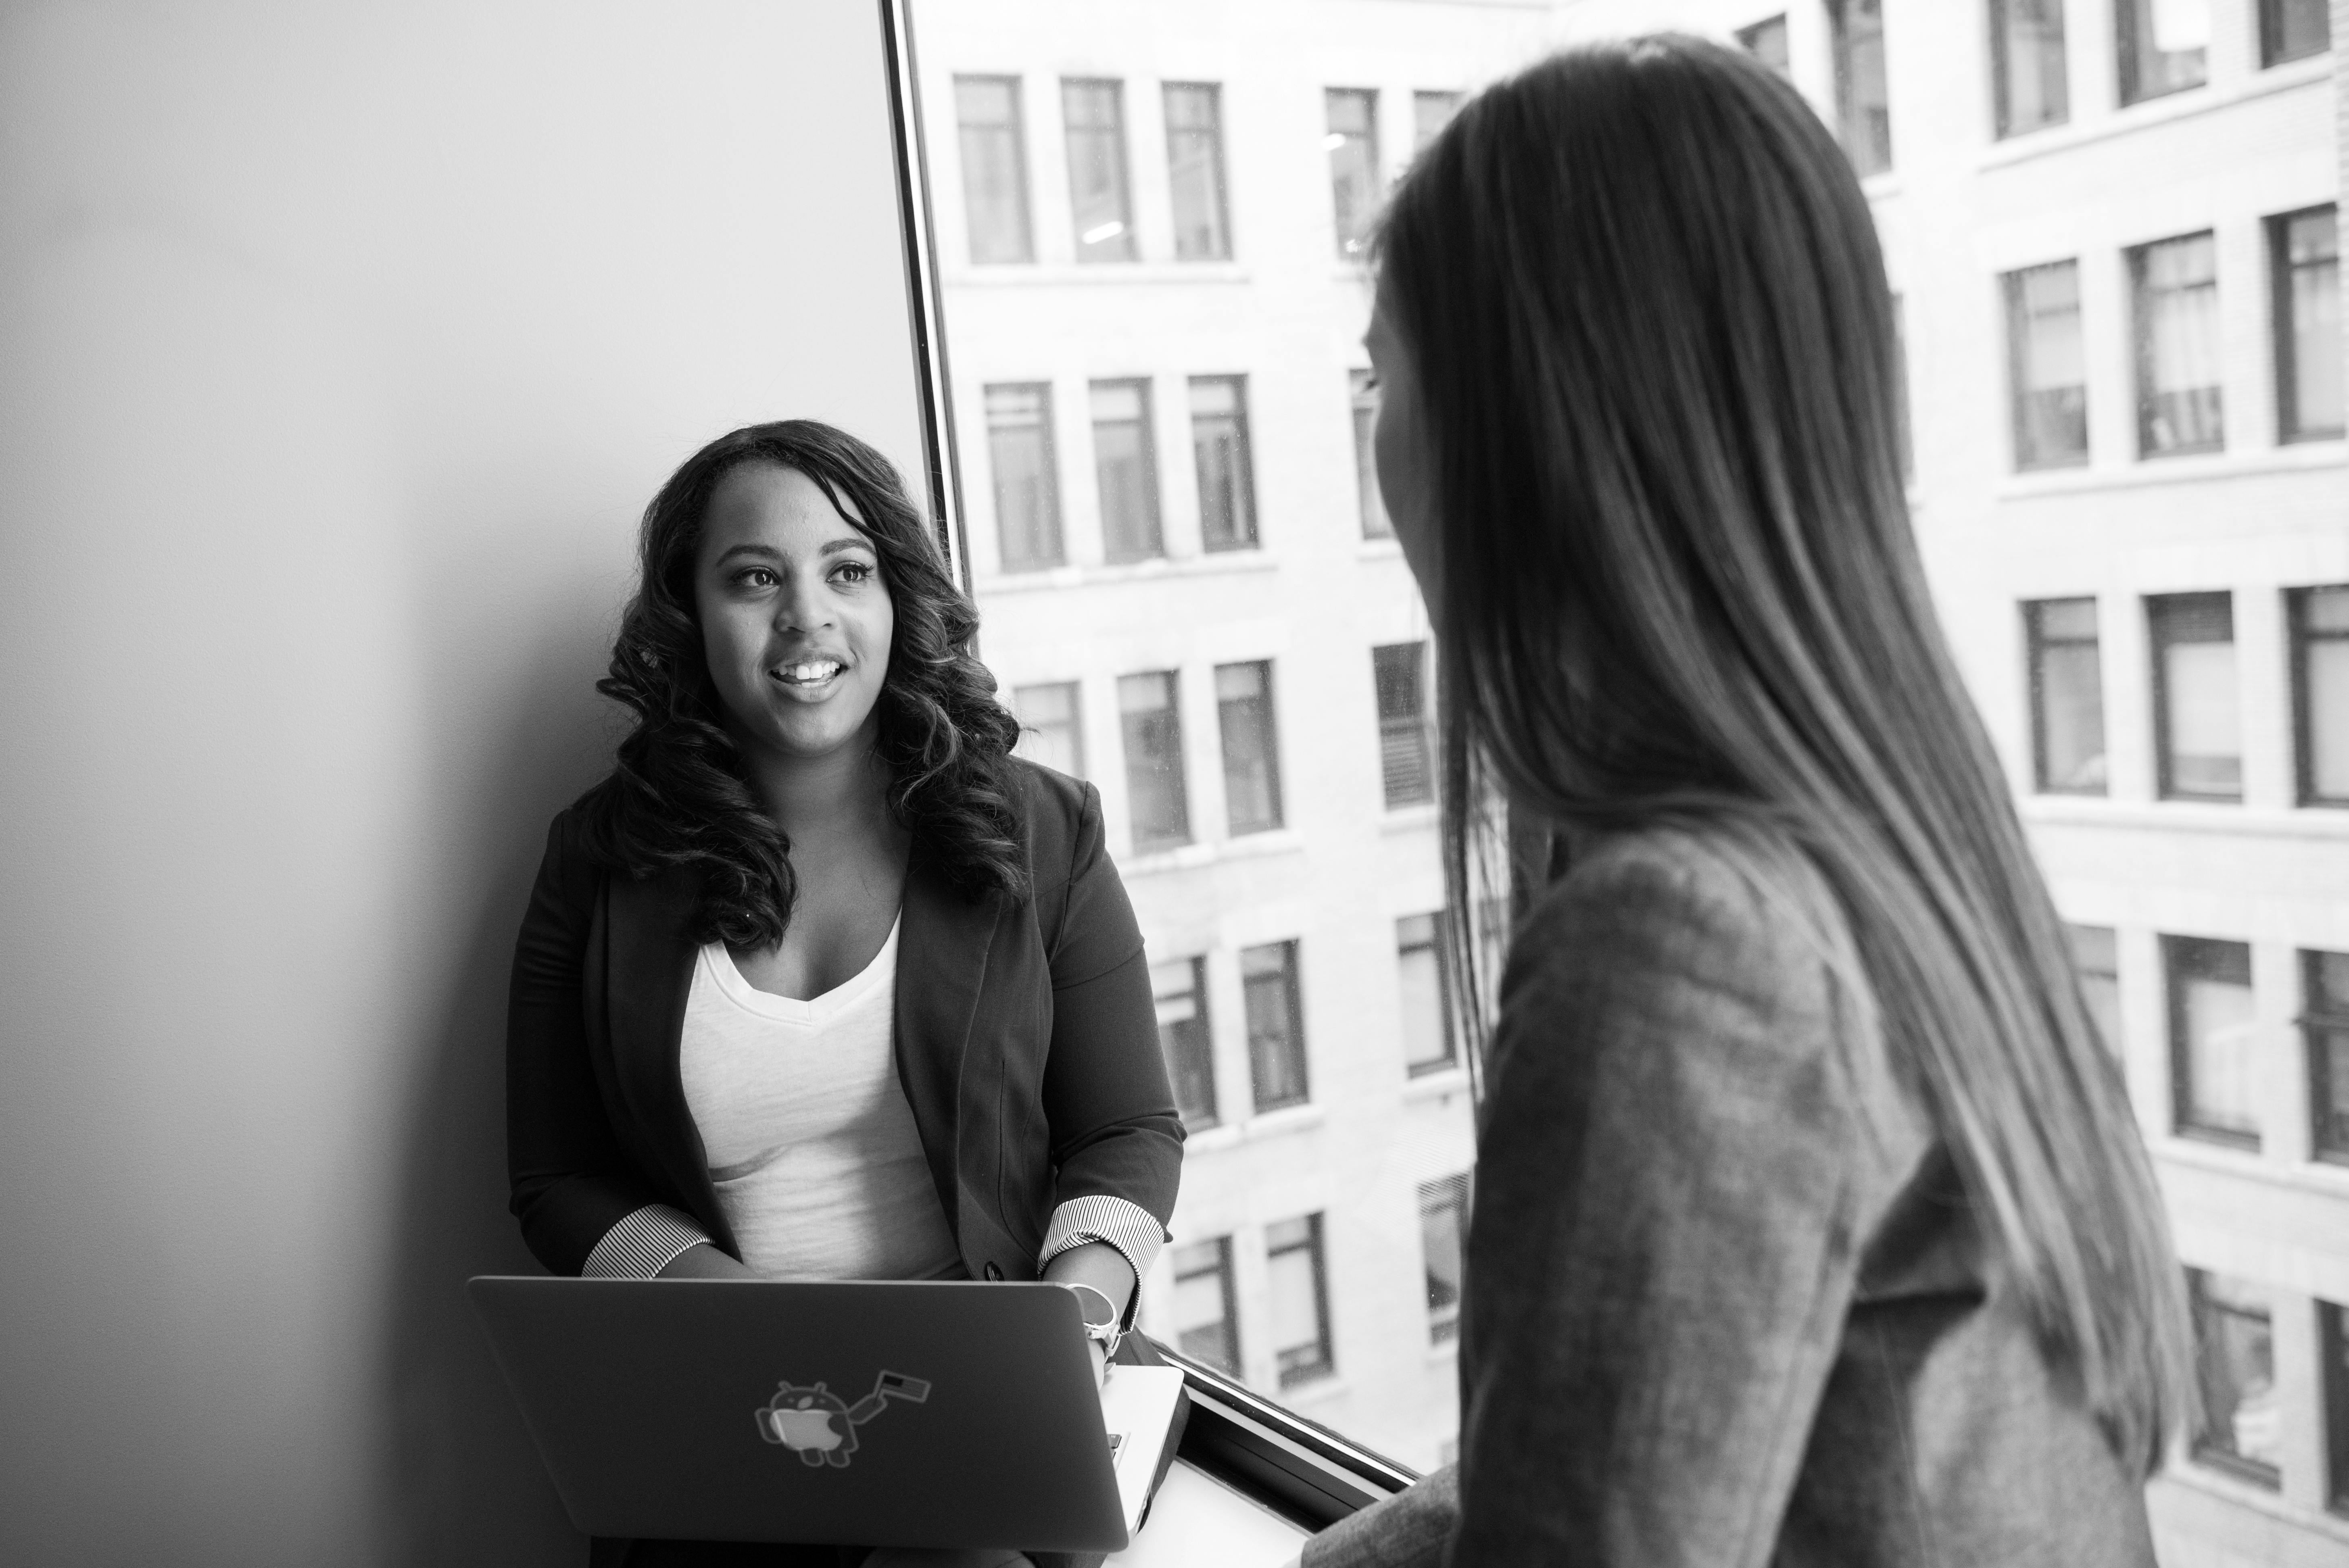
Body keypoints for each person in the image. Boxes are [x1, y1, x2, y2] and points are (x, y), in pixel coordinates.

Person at [1301, 34, 2196, 1568]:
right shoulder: (1885, 848)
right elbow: (1648, 1429)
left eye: (1385, 373)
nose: (1372, 443)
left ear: (1532, 430)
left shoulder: (1680, 945)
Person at [506, 420, 1185, 1568]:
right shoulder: (598, 860)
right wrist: (747, 1320)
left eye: (848, 571)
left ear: (896, 599)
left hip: (983, 1399)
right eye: (754, 578)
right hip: (729, 1406)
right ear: (690, 614)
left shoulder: (1043, 829)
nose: (806, 619)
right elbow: (555, 1178)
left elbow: (1128, 1131)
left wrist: (1071, 1324)